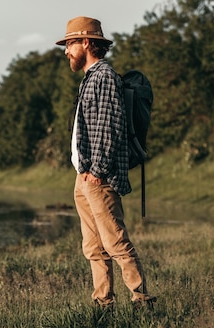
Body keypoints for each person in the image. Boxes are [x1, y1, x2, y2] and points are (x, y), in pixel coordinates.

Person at [55, 16, 156, 308]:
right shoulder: (90, 77)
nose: (66, 51)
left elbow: (110, 127)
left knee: (115, 241)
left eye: (70, 43)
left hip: (98, 177)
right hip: (84, 175)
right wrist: (84, 172)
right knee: (93, 247)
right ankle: (103, 303)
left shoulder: (104, 76)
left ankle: (141, 300)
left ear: (87, 42)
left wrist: (97, 172)